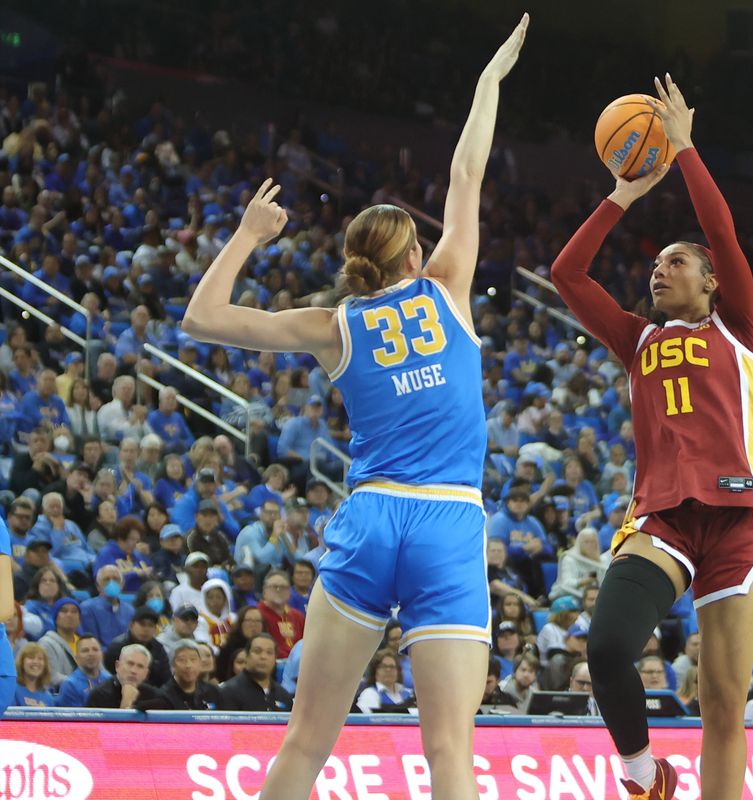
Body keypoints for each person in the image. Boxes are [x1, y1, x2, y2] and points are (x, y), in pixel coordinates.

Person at [180, 17, 527, 800]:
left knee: (305, 745)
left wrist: (245, 235)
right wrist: (489, 82)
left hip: (369, 519)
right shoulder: (447, 288)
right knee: (448, 753)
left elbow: (201, 319)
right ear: (414, 255)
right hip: (444, 520)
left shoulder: (333, 323)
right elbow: (467, 173)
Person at [550, 74, 753, 800]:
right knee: (605, 647)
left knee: (723, 707)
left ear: (713, 283)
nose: (660, 269)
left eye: (677, 261)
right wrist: (622, 195)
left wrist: (686, 149)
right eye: (655, 262)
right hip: (660, 519)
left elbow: (721, 231)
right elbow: (568, 273)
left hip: (733, 523)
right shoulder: (637, 339)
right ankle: (642, 772)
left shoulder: (740, 326)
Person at [217, 633, 294, 712]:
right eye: (257, 651)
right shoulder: (228, 692)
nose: (263, 657)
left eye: (269, 652)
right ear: (247, 656)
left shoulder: (284, 696)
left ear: (275, 659)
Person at [85, 642, 169, 709]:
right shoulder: (99, 694)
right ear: (117, 666)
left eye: (140, 666)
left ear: (146, 674)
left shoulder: (154, 696)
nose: (133, 671)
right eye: (130, 664)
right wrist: (126, 703)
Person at [161, 640, 220, 711]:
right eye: (182, 660)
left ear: (200, 663)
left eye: (193, 659)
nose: (188, 665)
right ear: (172, 665)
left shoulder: (212, 692)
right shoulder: (164, 696)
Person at [54, 634, 110, 707]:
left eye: (95, 649)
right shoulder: (70, 685)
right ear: (76, 657)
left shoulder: (109, 680)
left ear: (101, 654)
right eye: (85, 650)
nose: (91, 654)